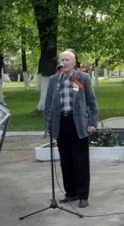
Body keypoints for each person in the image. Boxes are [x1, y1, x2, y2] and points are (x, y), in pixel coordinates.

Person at [44, 49, 98, 208]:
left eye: (68, 60)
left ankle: (83, 195)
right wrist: (47, 125)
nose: (64, 62)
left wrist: (92, 123)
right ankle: (71, 193)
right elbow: (48, 104)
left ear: (74, 62)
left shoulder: (83, 78)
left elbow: (92, 103)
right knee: (65, 161)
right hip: (61, 123)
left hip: (78, 124)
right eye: (62, 59)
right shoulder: (54, 80)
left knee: (80, 161)